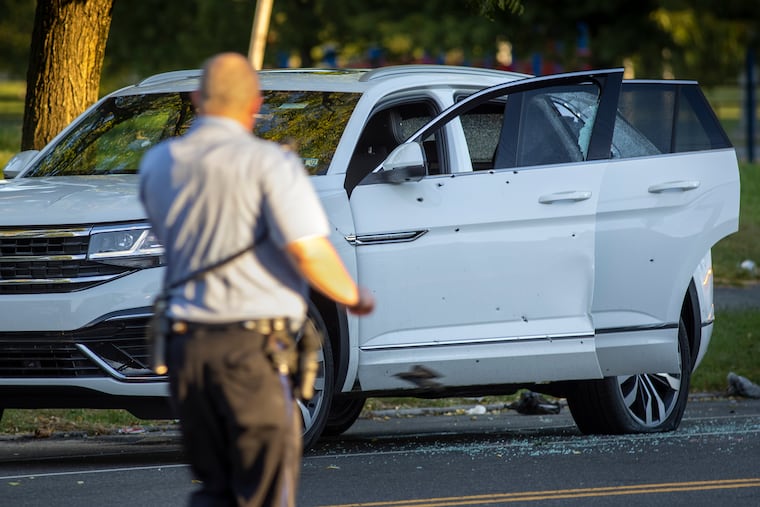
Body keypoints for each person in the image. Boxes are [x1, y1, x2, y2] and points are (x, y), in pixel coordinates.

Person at [138, 52, 374, 507]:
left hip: (187, 349)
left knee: (216, 487)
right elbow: (307, 249)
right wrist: (352, 295)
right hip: (250, 350)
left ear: (196, 99)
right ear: (255, 104)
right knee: (262, 490)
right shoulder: (269, 164)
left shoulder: (158, 164)